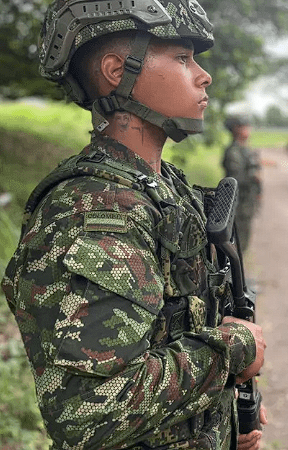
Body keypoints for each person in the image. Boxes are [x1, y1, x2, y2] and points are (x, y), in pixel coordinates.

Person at [1, 1, 267, 449]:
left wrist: (219, 423)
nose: (203, 75)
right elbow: (93, 410)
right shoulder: (96, 210)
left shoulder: (162, 187)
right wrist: (233, 349)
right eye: (182, 59)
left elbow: (178, 327)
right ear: (116, 70)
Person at [222, 114, 262, 252]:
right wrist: (254, 177)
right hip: (238, 205)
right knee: (237, 244)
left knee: (243, 242)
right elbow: (235, 179)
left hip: (246, 203)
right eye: (244, 126)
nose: (248, 129)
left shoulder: (245, 149)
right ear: (236, 129)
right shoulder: (233, 151)